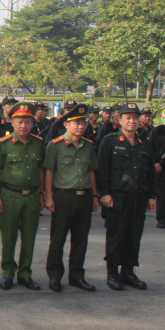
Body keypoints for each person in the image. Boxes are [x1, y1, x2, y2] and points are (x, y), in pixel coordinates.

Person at [97, 102, 157, 291]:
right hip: (117, 197)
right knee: (117, 235)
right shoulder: (110, 141)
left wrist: (152, 196)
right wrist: (104, 193)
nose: (132, 121)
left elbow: (150, 174)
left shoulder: (145, 144)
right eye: (128, 117)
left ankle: (128, 272)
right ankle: (112, 273)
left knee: (134, 236)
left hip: (138, 198)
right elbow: (102, 170)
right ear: (120, 120)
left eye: (135, 117)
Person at [42, 104, 100, 292]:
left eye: (83, 122)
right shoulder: (55, 145)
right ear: (66, 124)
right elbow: (49, 172)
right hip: (63, 196)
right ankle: (55, 275)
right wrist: (48, 196)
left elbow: (91, 172)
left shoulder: (88, 146)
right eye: (76, 122)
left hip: (84, 197)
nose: (80, 126)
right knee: (58, 238)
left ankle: (77, 275)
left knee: (81, 239)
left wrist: (95, 195)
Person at [0, 101, 45, 291]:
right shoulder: (3, 144)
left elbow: (41, 170)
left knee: (29, 237)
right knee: (9, 236)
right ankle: (7, 273)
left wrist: (43, 195)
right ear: (12, 122)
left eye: (27, 122)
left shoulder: (38, 143)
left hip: (32, 196)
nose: (23, 126)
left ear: (32, 123)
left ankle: (25, 273)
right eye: (19, 121)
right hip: (10, 195)